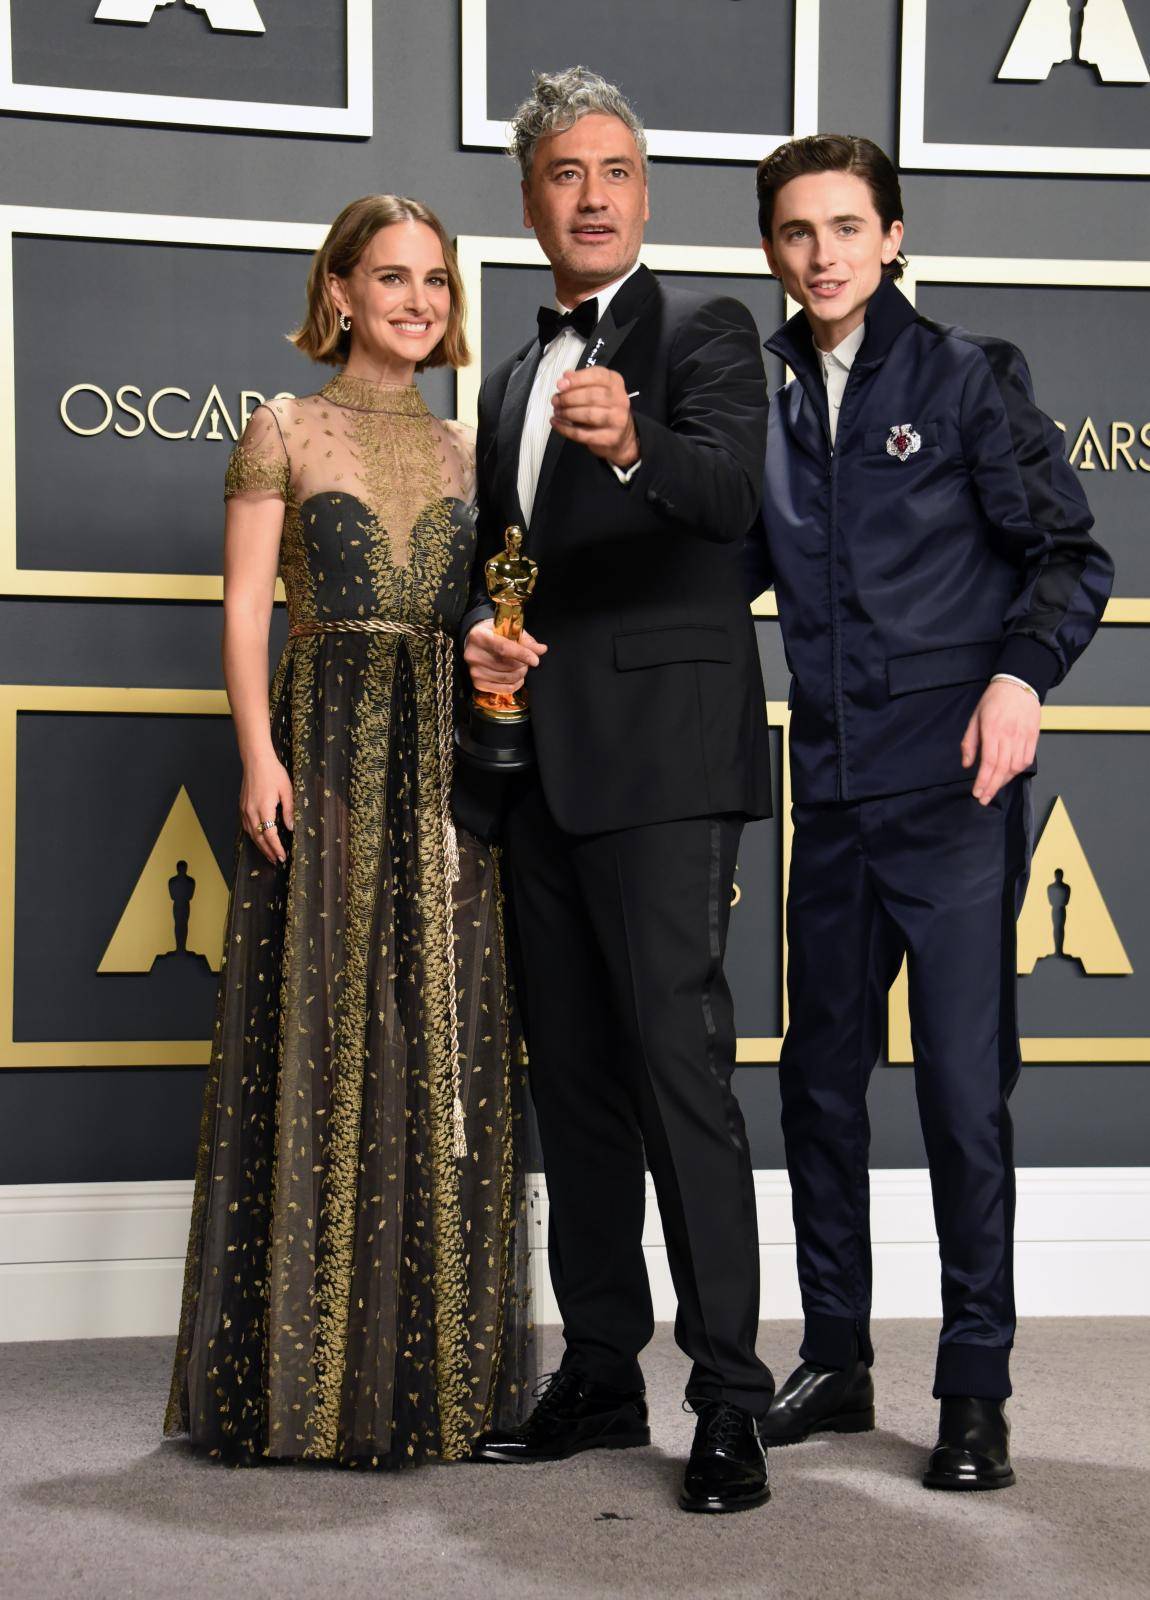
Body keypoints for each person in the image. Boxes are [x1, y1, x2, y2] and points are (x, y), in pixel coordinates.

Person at [746, 135, 1113, 1489]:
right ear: (772, 249)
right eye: (796, 231)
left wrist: (1021, 677)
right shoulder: (762, 394)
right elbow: (714, 566)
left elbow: (1069, 552)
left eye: (848, 226)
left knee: (963, 1098)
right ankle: (835, 1358)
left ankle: (975, 1388)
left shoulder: (965, 378)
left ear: (892, 236)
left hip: (953, 792)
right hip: (830, 792)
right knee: (816, 1090)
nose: (823, 254)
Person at [165, 195, 532, 1468]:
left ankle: (438, 1378)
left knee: (444, 1032)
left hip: (445, 763)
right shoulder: (282, 428)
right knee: (323, 1025)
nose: (419, 300)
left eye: (434, 280)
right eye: (392, 277)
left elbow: (489, 620)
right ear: (338, 291)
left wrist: (495, 667)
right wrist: (257, 752)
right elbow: (246, 606)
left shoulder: (471, 450)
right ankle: (304, 1385)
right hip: (321, 749)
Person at [461, 67, 774, 1515]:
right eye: (561, 175)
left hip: (659, 770)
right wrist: (484, 632)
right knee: (571, 1091)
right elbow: (509, 564)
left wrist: (637, 441)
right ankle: (597, 1371)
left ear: (645, 193)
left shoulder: (706, 327)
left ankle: (728, 1399)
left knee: (679, 1086)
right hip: (533, 770)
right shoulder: (513, 375)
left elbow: (725, 500)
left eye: (612, 171)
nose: (588, 196)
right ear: (530, 201)